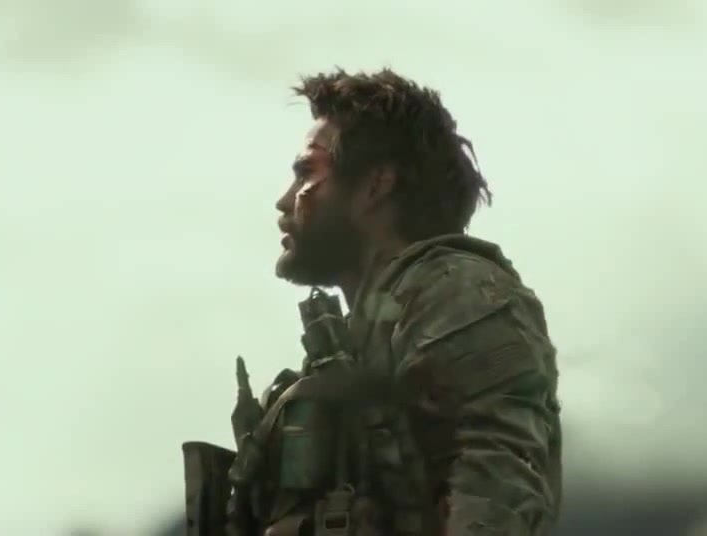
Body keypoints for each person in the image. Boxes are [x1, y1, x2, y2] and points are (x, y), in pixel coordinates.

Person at [204, 68, 562, 536]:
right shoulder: (364, 336)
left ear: (376, 185)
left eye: (306, 173)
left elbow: (498, 499)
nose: (284, 201)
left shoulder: (459, 296)